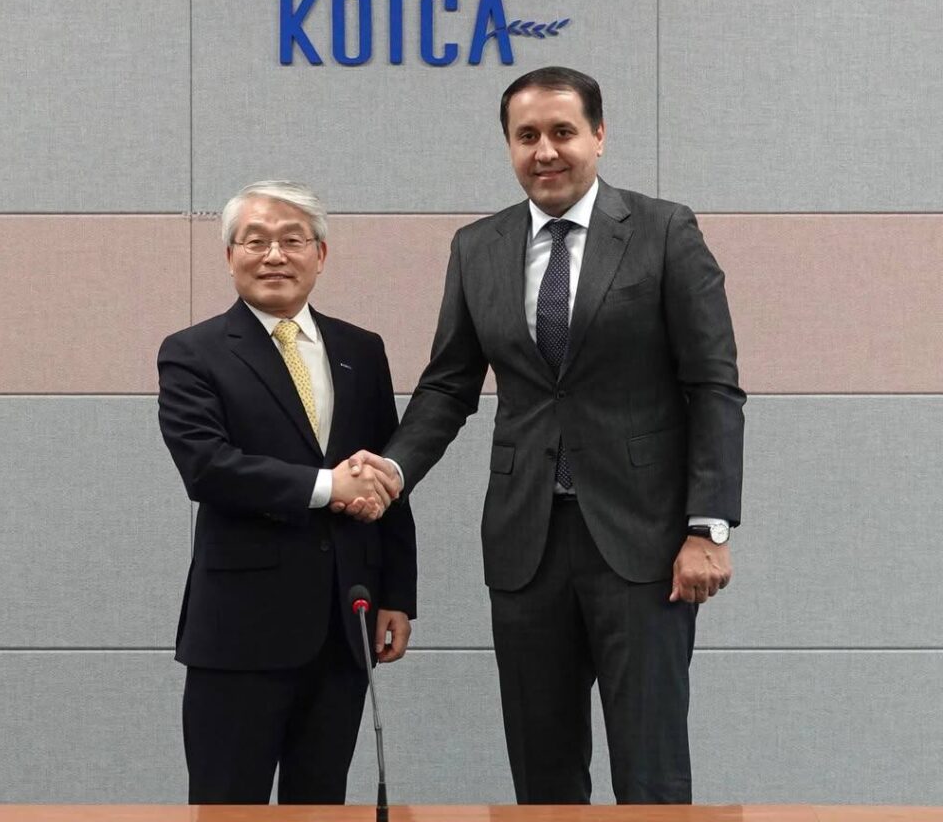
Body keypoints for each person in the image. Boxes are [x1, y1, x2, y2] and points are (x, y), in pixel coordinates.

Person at [352, 67, 744, 804]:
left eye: (563, 132)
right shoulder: (477, 246)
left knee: (651, 770)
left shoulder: (664, 231)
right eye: (526, 135)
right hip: (525, 541)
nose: (545, 151)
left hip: (644, 543)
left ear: (599, 136)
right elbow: (448, 385)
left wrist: (709, 526)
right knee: (542, 774)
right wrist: (393, 471)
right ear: (508, 145)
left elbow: (714, 387)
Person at [157, 179, 416, 805]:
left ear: (320, 254)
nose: (274, 255)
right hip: (239, 630)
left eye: (292, 240)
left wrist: (398, 595)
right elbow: (208, 467)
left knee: (323, 804)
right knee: (226, 806)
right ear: (230, 256)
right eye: (256, 241)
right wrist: (328, 486)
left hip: (343, 623)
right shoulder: (192, 353)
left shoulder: (362, 350)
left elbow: (388, 477)